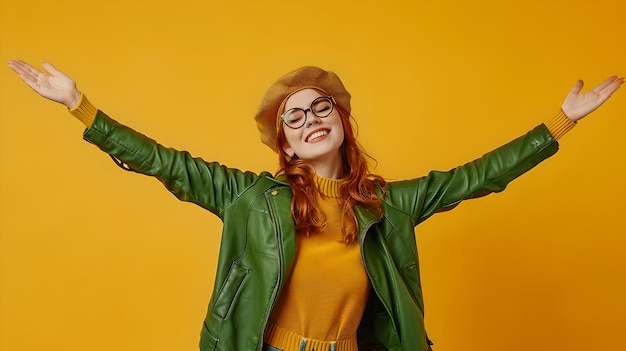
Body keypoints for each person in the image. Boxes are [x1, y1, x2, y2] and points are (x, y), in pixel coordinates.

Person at [7, 59, 623, 351]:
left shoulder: (387, 204)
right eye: (293, 117)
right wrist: (80, 106)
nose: (308, 120)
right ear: (285, 142)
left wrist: (558, 124)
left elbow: (475, 178)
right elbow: (164, 161)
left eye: (319, 107)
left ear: (341, 119)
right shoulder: (249, 197)